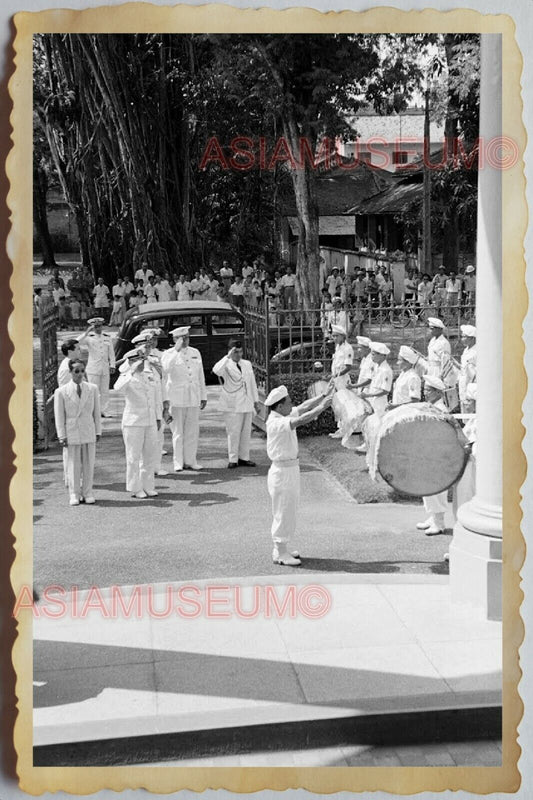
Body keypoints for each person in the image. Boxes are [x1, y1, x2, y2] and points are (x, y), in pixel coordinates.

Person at [265, 384, 333, 566]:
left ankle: (281, 548)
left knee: (289, 510)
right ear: (279, 406)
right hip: (282, 472)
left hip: (290, 469)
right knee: (283, 511)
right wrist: (323, 407)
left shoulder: (281, 414)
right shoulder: (276, 422)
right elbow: (302, 419)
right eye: (288, 402)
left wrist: (323, 395)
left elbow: (303, 407)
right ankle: (280, 552)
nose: (292, 405)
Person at [115, 341, 162, 499]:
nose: (142, 362)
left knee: (149, 455)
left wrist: (157, 417)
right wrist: (131, 372)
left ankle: (148, 485)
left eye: (143, 359)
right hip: (133, 422)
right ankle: (135, 488)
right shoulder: (127, 376)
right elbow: (117, 388)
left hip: (149, 421)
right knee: (133, 457)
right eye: (138, 359)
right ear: (132, 361)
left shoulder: (149, 374)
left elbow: (154, 398)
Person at [54, 358, 101, 506]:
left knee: (89, 463)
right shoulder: (61, 391)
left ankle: (88, 492)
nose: (80, 374)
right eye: (76, 371)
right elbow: (59, 415)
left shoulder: (92, 388)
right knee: (73, 463)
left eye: (82, 371)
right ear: (70, 372)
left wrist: (98, 431)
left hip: (88, 428)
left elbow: (97, 412)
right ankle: (74, 493)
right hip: (72, 430)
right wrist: (62, 435)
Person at [161, 326, 207, 471]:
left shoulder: (195, 352)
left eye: (187, 337)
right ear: (175, 339)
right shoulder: (168, 354)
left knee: (192, 431)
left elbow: (200, 376)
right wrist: (176, 350)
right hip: (176, 397)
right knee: (178, 432)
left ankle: (190, 460)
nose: (185, 340)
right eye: (182, 338)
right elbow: (166, 369)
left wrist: (203, 395)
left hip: (193, 396)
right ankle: (178, 462)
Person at [212, 338, 261, 468]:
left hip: (246, 402)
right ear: (230, 352)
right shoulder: (226, 364)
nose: (239, 355)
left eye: (240, 351)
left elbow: (252, 384)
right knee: (233, 432)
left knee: (246, 432)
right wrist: (227, 357)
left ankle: (244, 457)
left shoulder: (247, 364)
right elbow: (216, 370)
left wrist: (256, 401)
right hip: (232, 404)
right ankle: (233, 459)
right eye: (235, 352)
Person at [416, 375, 451, 535]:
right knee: (427, 486)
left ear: (437, 392)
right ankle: (433, 517)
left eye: (428, 390)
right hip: (428, 450)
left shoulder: (440, 409)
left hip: (436, 453)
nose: (425, 393)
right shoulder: (430, 406)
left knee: (436, 486)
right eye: (424, 390)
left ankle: (439, 522)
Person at [356, 341, 393, 458]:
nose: (372, 356)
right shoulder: (377, 367)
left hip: (379, 403)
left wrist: (368, 395)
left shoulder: (386, 370)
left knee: (378, 427)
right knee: (369, 425)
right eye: (371, 354)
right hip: (373, 400)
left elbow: (385, 390)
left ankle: (378, 450)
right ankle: (368, 445)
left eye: (374, 354)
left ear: (382, 355)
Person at [78, 317, 116, 416]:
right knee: (93, 390)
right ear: (92, 327)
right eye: (95, 327)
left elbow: (111, 353)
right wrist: (86, 332)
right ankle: (94, 410)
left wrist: (112, 365)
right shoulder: (89, 337)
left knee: (105, 391)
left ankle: (104, 410)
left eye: (99, 326)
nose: (98, 328)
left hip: (104, 368)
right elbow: (76, 342)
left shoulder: (107, 337)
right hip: (93, 368)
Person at [327, 323, 355, 439]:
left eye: (336, 336)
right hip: (337, 379)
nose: (334, 338)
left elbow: (348, 367)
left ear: (343, 336)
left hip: (342, 380)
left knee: (343, 404)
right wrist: (332, 376)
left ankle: (345, 429)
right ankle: (341, 428)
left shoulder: (347, 348)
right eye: (333, 336)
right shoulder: (338, 347)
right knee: (337, 405)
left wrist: (337, 375)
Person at [458, 324, 477, 413]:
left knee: (471, 407)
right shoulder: (466, 350)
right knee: (464, 406)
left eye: (464, 337)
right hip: (464, 381)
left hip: (471, 383)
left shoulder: (476, 351)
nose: (462, 339)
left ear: (472, 338)